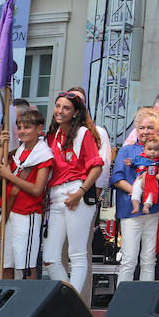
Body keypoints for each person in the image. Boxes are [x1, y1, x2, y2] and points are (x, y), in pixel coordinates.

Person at [42, 91, 105, 296]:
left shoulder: (83, 134)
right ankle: (70, 297)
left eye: (66, 107)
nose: (60, 111)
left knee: (77, 254)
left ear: (76, 112)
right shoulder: (52, 135)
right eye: (58, 106)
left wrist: (80, 192)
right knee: (50, 257)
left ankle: (73, 302)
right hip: (55, 194)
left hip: (76, 191)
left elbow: (97, 166)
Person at [112, 108, 159, 286]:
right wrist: (139, 192)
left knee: (149, 258)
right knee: (129, 258)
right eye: (142, 128)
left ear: (157, 130)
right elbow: (117, 178)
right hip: (130, 209)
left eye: (150, 127)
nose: (145, 131)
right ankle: (123, 301)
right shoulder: (126, 150)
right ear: (136, 129)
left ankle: (145, 299)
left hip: (153, 209)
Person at [0, 108, 54, 280]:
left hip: (27, 213)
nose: (22, 131)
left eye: (27, 127)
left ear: (39, 128)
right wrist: (1, 147)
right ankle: (5, 300)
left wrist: (10, 175)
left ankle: (28, 301)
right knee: (6, 262)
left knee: (26, 264)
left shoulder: (43, 155)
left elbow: (37, 189)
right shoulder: (18, 151)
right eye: (19, 127)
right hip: (8, 211)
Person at [129, 134, 159, 214]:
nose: (152, 152)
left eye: (156, 149)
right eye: (149, 149)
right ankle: (136, 207)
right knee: (136, 190)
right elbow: (132, 163)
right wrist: (129, 162)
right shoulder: (140, 158)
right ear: (144, 149)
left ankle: (146, 207)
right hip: (140, 179)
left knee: (151, 194)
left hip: (152, 180)